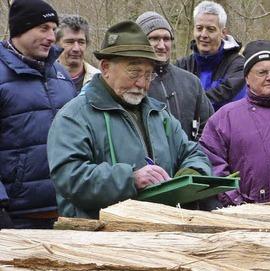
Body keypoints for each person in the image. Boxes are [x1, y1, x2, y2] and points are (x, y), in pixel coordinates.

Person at [47, 21, 212, 219]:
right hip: (99, 239)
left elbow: (194, 152)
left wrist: (188, 175)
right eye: (134, 72)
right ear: (106, 67)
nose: (142, 83)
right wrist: (130, 179)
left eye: (148, 75)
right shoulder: (74, 116)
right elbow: (69, 177)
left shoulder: (159, 114)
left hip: (159, 232)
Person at [200, 40, 270, 206]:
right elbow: (212, 164)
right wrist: (237, 203)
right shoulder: (224, 118)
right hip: (242, 217)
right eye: (262, 72)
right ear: (247, 77)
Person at [0, 0, 76, 229]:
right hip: (15, 215)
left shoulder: (61, 75)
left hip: (64, 209)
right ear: (20, 29)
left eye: (54, 29)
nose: (52, 37)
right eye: (43, 28)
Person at [136, 12, 213, 141]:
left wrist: (194, 156)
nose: (162, 45)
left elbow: (209, 127)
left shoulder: (191, 82)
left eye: (166, 39)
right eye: (154, 38)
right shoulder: (130, 84)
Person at [176, 1, 245, 111]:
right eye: (199, 28)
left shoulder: (238, 65)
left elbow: (228, 99)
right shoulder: (182, 65)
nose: (203, 35)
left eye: (210, 29)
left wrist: (190, 103)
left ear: (223, 32)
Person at [55, 15, 99, 93]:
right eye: (70, 42)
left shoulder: (99, 80)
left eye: (81, 42)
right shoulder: (44, 79)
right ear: (56, 44)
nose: (76, 48)